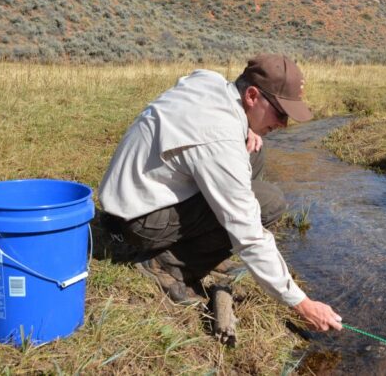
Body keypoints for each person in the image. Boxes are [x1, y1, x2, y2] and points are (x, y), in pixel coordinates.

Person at [98, 54, 342, 332]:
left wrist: (245, 127)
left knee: (255, 151)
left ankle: (203, 250)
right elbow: (248, 232)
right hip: (138, 221)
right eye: (280, 113)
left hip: (131, 192)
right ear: (251, 95)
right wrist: (303, 304)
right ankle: (167, 266)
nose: (284, 125)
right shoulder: (219, 136)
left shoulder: (212, 83)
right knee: (269, 203)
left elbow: (198, 98)